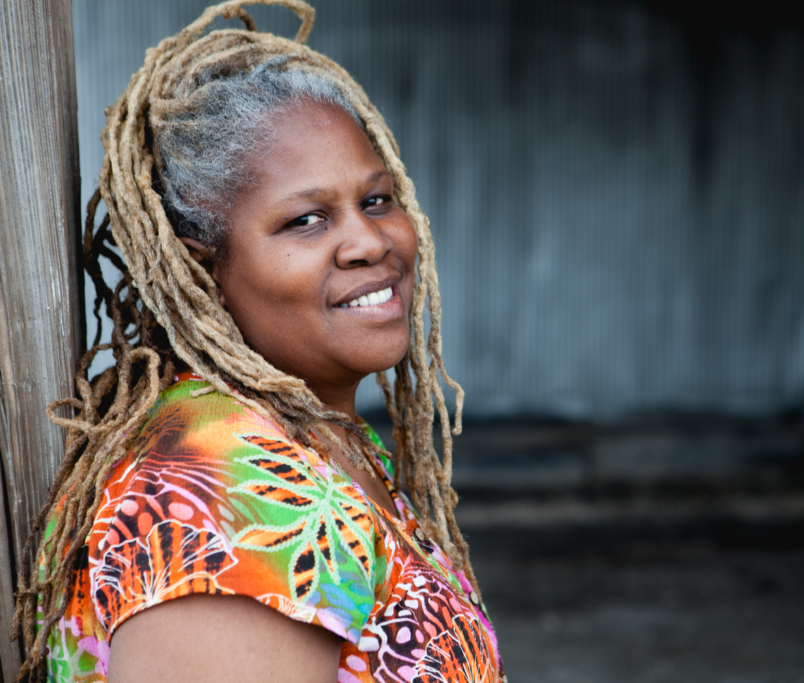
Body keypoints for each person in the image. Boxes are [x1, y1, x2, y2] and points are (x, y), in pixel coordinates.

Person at [11, 2, 504, 681]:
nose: (369, 241)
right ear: (201, 269)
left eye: (378, 199)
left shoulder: (307, 439)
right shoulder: (224, 492)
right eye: (306, 220)